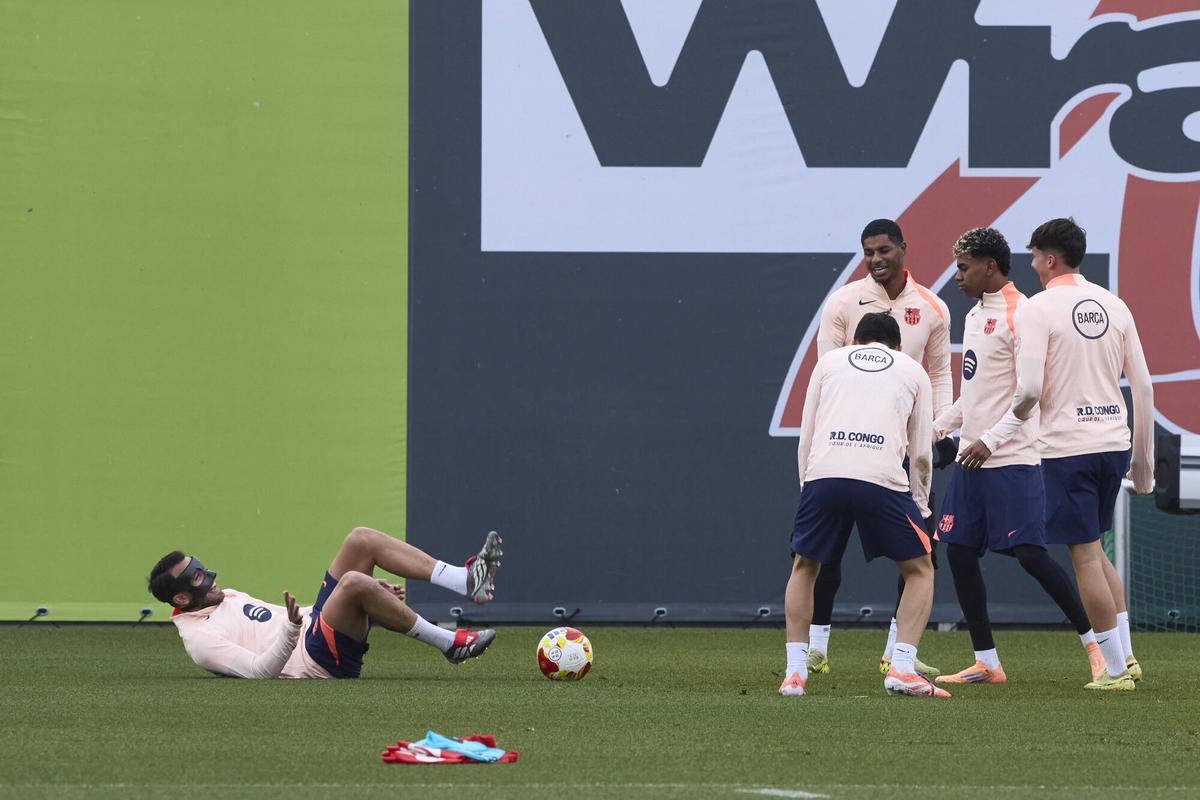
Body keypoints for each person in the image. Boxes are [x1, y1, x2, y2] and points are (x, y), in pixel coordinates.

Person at [931, 227, 1103, 685]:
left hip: (1013, 458)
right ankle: (987, 662)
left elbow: (1031, 393)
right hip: (972, 459)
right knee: (959, 553)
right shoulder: (973, 314)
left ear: (989, 266)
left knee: (1030, 554)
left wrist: (990, 439)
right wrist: (936, 428)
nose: (957, 276)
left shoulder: (1022, 312)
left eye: (964, 267)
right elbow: (976, 392)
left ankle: (1095, 648)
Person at [1010, 217, 1153, 691]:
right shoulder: (1115, 304)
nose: (1032, 266)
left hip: (1068, 448)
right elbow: (1144, 388)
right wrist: (1143, 462)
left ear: (1050, 259)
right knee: (1095, 548)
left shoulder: (1037, 308)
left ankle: (1114, 672)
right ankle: (1126, 656)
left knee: (1085, 556)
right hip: (1112, 444)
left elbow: (1029, 388)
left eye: (1034, 257)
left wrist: (1012, 421)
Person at [807, 218, 952, 678]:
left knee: (919, 552)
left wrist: (940, 430)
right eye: (868, 252)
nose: (876, 259)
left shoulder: (932, 307)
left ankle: (896, 650)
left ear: (903, 248)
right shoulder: (843, 302)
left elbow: (939, 374)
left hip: (906, 446)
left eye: (884, 250)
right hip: (848, 444)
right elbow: (826, 374)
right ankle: (816, 648)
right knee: (827, 551)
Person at [780, 312, 947, 698]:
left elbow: (807, 435)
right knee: (921, 570)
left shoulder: (828, 362)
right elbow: (921, 451)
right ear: (899, 347)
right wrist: (921, 505)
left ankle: (794, 674)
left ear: (854, 342)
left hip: (824, 475)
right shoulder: (912, 369)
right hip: (881, 478)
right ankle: (901, 667)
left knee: (804, 566)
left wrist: (808, 488)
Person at [147, 528, 504, 679]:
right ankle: (450, 643)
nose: (209, 576)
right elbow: (259, 672)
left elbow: (290, 619)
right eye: (197, 577)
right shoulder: (200, 641)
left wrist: (366, 598)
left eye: (201, 568)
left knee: (360, 540)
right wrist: (293, 628)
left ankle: (464, 580)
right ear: (182, 598)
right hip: (317, 662)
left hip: (313, 630)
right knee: (353, 583)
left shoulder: (223, 596)